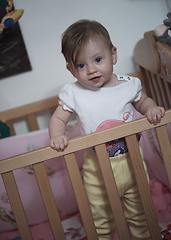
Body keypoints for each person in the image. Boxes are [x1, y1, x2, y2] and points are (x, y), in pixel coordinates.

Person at [49, 19, 165, 240]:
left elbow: (144, 102)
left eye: (98, 59)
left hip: (132, 162)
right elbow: (58, 118)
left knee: (140, 213)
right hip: (96, 169)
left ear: (113, 55)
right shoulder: (74, 93)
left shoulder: (128, 85)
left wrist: (151, 109)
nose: (91, 69)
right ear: (71, 70)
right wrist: (56, 135)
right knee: (99, 218)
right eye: (81, 65)